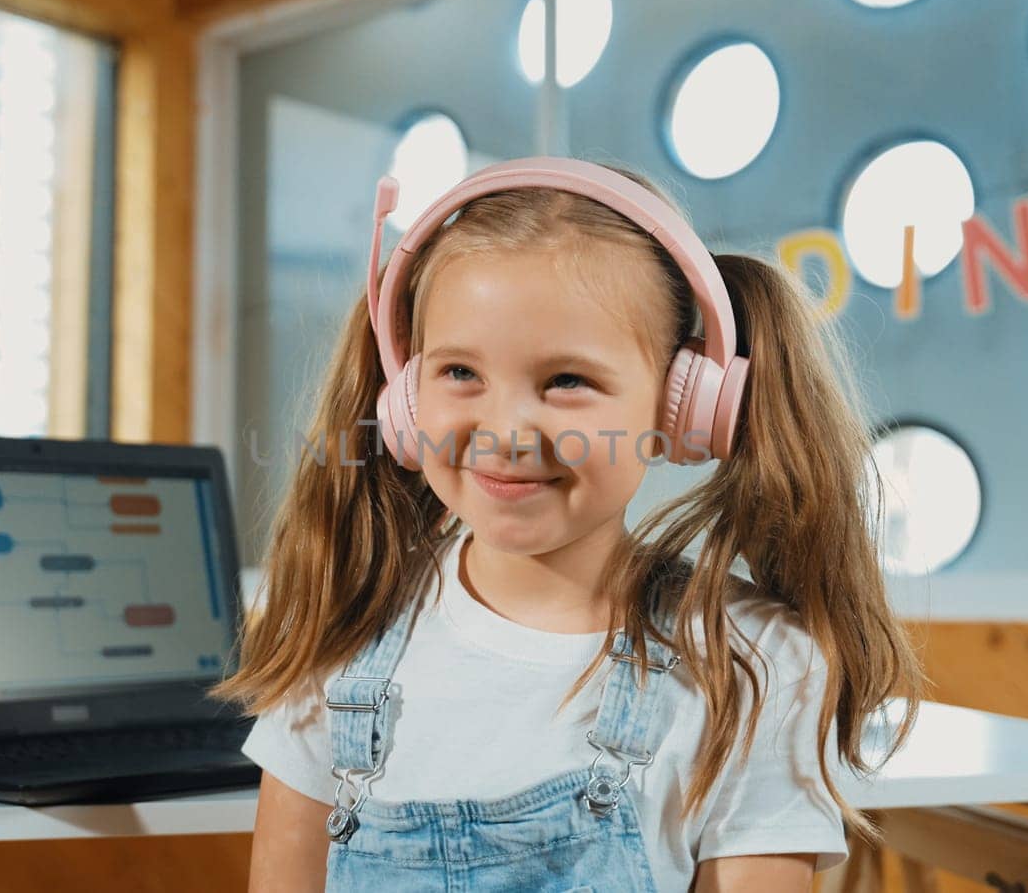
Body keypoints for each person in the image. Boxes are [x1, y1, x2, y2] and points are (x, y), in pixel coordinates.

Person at [213, 156, 925, 892]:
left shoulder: (750, 664)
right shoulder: (349, 622)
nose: (507, 432)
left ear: (682, 408)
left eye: (567, 381)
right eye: (460, 372)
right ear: (405, 394)